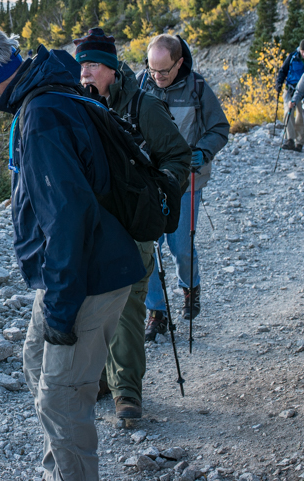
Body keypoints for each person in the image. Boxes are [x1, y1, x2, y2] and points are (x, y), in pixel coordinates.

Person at [0, 26, 143, 480]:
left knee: (61, 398)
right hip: (78, 268)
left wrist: (61, 309)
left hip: (86, 276)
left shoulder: (40, 116)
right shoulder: (52, 89)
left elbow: (68, 218)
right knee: (37, 362)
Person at [69, 28, 190, 426]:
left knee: (127, 306)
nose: (84, 72)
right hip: (92, 223)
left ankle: (127, 393)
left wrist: (161, 198)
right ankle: (101, 379)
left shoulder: (143, 106)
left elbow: (177, 155)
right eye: (81, 64)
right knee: (90, 303)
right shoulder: (75, 104)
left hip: (134, 223)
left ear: (110, 68)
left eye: (91, 65)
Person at [138, 34, 229, 341]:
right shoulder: (141, 84)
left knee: (180, 247)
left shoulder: (198, 88)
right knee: (149, 247)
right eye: (152, 70)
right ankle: (157, 311)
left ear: (179, 63)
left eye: (164, 71)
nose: (157, 77)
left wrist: (203, 151)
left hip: (187, 182)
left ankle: (191, 287)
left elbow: (219, 128)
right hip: (148, 181)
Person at [275, 39, 304, 151]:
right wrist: (278, 83)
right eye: (303, 51)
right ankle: (290, 139)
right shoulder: (292, 57)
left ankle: (300, 142)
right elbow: (283, 70)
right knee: (288, 112)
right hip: (290, 89)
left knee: (302, 115)